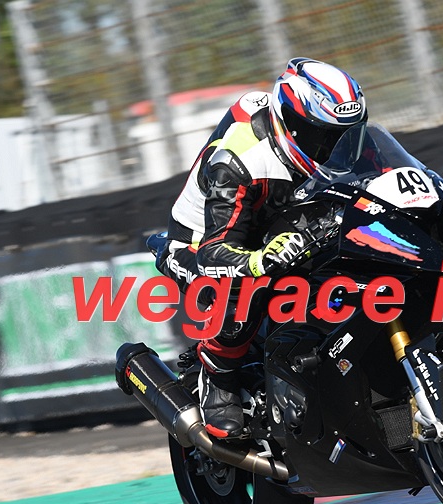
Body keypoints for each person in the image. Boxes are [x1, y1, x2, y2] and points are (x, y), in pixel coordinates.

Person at [150, 57, 367, 439]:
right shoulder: (238, 161)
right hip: (200, 245)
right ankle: (218, 375)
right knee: (245, 286)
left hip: (272, 221)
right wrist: (262, 259)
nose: (333, 148)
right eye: (323, 137)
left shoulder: (325, 151)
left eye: (344, 136)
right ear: (290, 124)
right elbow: (214, 251)